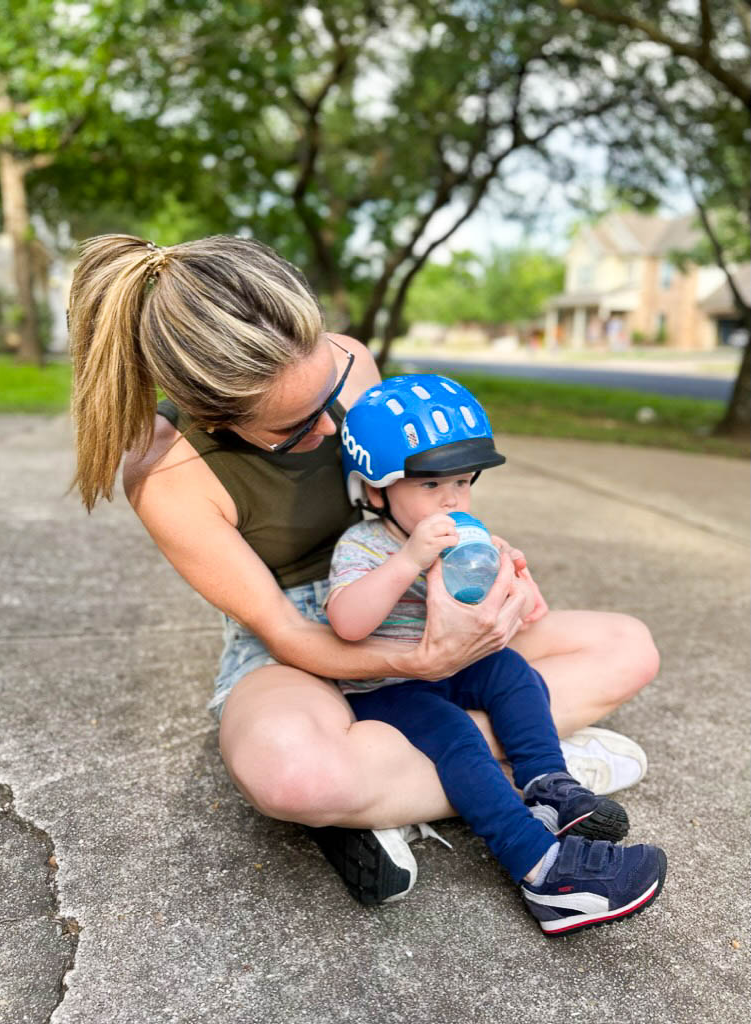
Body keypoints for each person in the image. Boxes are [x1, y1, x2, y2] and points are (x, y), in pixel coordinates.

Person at [68, 233, 661, 908]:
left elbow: (409, 499)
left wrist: (482, 558)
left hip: (408, 594)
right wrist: (425, 663)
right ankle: (535, 767)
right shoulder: (165, 471)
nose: (332, 426)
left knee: (626, 648)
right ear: (214, 416)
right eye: (297, 428)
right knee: (290, 776)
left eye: (331, 390)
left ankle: (393, 796)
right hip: (299, 642)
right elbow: (286, 634)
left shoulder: (352, 359)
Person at [326, 374, 666, 932]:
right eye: (431, 487)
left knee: (512, 672)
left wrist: (517, 581)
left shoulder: (467, 539)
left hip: (456, 664)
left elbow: (527, 617)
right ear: (375, 489)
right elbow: (347, 622)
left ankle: (548, 786)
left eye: (463, 483)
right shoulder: (365, 545)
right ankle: (546, 873)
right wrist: (409, 559)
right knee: (458, 737)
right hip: (390, 687)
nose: (453, 500)